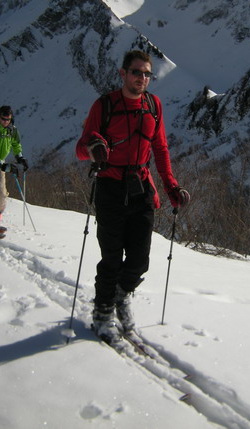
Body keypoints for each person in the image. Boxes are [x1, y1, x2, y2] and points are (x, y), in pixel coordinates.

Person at [76, 50, 190, 343]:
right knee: (111, 258)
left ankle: (120, 297)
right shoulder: (104, 106)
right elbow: (81, 147)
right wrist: (94, 148)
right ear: (122, 73)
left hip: (141, 187)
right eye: (136, 72)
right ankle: (102, 313)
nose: (142, 78)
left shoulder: (154, 105)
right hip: (110, 188)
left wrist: (172, 187)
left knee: (140, 260)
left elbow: (161, 149)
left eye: (147, 73)